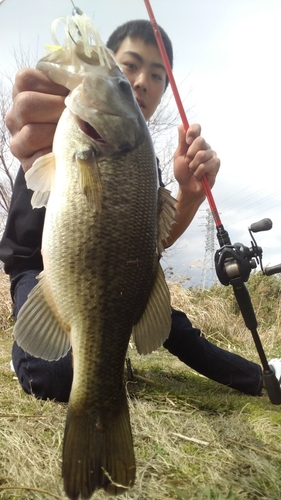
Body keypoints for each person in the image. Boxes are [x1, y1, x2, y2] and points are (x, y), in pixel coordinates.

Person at [1, 19, 280, 402]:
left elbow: (148, 247)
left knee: (171, 327)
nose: (143, 81)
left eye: (157, 75)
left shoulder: (145, 164)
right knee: (54, 374)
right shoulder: (67, 130)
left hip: (118, 282)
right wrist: (37, 126)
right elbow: (32, 134)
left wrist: (190, 193)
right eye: (128, 67)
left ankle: (259, 377)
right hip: (41, 270)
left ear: (164, 90)